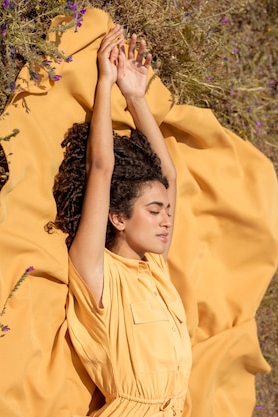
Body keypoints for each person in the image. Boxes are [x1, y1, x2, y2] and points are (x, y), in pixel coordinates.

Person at [46, 24, 192, 416]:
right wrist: (105, 85)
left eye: (167, 212)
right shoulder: (97, 271)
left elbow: (169, 177)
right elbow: (101, 166)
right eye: (154, 211)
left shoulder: (155, 268)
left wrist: (136, 96)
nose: (166, 221)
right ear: (118, 218)